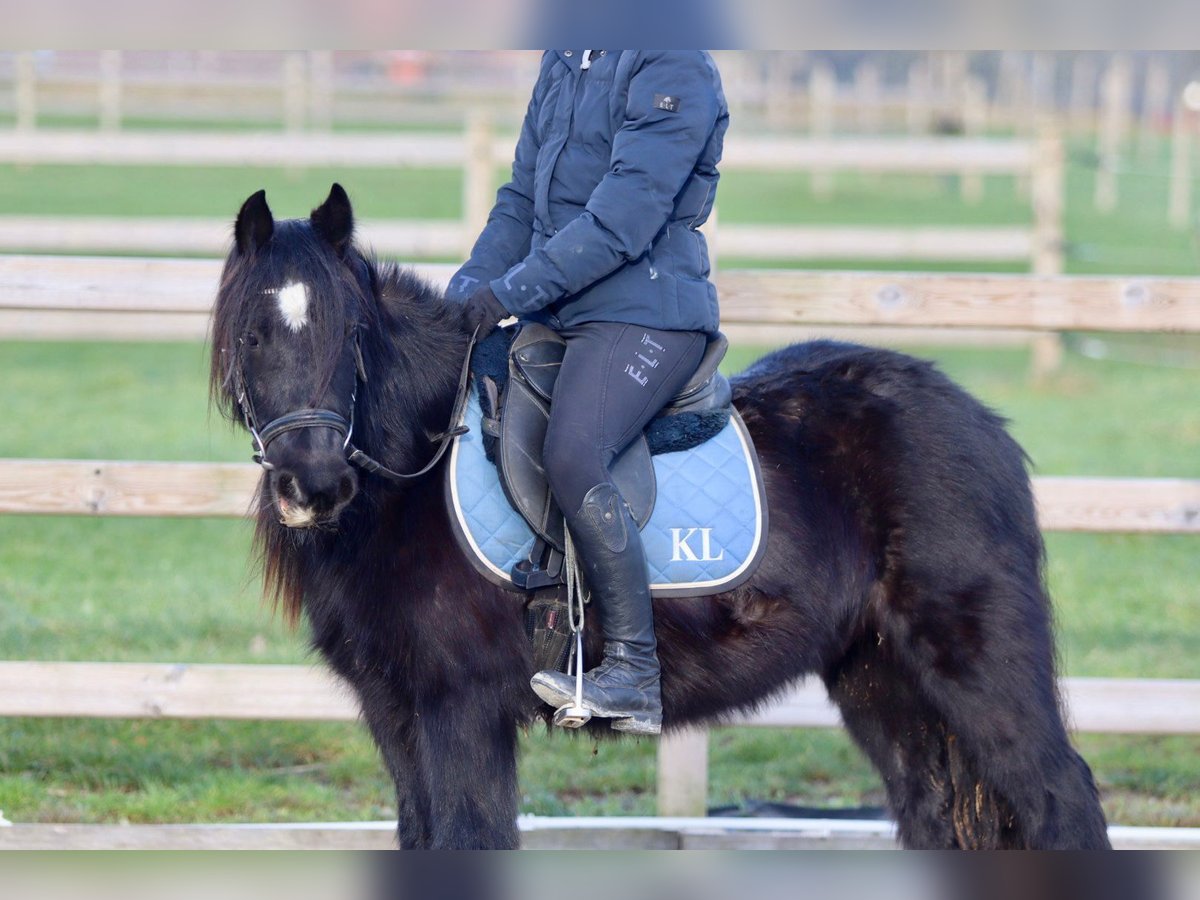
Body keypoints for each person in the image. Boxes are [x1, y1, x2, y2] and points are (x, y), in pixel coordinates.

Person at [447, 50, 729, 734]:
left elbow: (623, 219)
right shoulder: (567, 56)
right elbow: (520, 203)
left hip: (645, 310)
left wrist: (508, 294)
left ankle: (634, 671)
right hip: (560, 309)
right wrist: (461, 299)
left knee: (572, 451)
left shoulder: (674, 61)